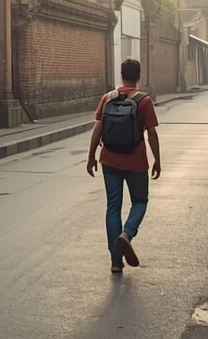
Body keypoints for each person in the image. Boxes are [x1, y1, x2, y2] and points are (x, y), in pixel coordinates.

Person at [86, 58, 161, 274]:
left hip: (109, 160)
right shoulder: (144, 101)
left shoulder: (107, 98)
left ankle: (116, 262)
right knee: (140, 201)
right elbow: (152, 133)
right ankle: (127, 234)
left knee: (112, 207)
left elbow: (98, 129)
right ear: (139, 76)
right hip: (136, 162)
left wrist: (91, 157)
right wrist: (157, 160)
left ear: (121, 74)